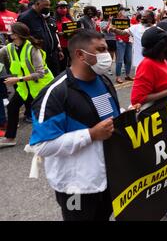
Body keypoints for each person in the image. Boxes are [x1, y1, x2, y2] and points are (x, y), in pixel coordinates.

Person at [24, 29, 123, 220]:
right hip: (76, 187)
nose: (107, 55)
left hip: (108, 177)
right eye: (101, 49)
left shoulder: (103, 80)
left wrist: (127, 115)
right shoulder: (55, 93)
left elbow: (106, 117)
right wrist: (91, 134)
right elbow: (41, 145)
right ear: (80, 54)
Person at [130, 27, 167, 221]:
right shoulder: (147, 65)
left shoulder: (161, 59)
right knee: (158, 164)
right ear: (160, 46)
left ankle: (165, 199)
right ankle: (162, 204)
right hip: (155, 123)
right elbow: (138, 99)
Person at [0, 23, 54, 148]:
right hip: (25, 87)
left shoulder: (32, 49)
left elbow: (40, 73)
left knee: (42, 112)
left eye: (10, 31)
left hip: (40, 86)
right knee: (13, 107)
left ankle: (47, 138)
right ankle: (10, 138)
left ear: (16, 35)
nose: (8, 33)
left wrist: (18, 79)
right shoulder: (10, 48)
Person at [18, 0, 63, 77]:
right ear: (37, 4)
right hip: (38, 56)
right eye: (45, 5)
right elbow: (21, 37)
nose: (48, 7)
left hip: (51, 54)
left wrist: (57, 49)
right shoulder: (25, 17)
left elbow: (48, 34)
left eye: (49, 5)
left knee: (55, 77)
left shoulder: (41, 16)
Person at [114, 8, 133, 84]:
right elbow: (113, 30)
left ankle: (127, 75)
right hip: (120, 41)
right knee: (120, 60)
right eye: (123, 13)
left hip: (128, 41)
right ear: (120, 14)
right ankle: (118, 77)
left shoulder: (128, 20)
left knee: (128, 59)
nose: (125, 14)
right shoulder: (116, 21)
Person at [54, 1, 74, 72]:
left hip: (70, 45)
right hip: (60, 47)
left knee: (72, 64)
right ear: (57, 9)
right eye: (61, 8)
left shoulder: (71, 20)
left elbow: (74, 30)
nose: (64, 9)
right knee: (62, 66)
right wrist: (59, 33)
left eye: (65, 7)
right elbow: (53, 33)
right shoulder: (54, 21)